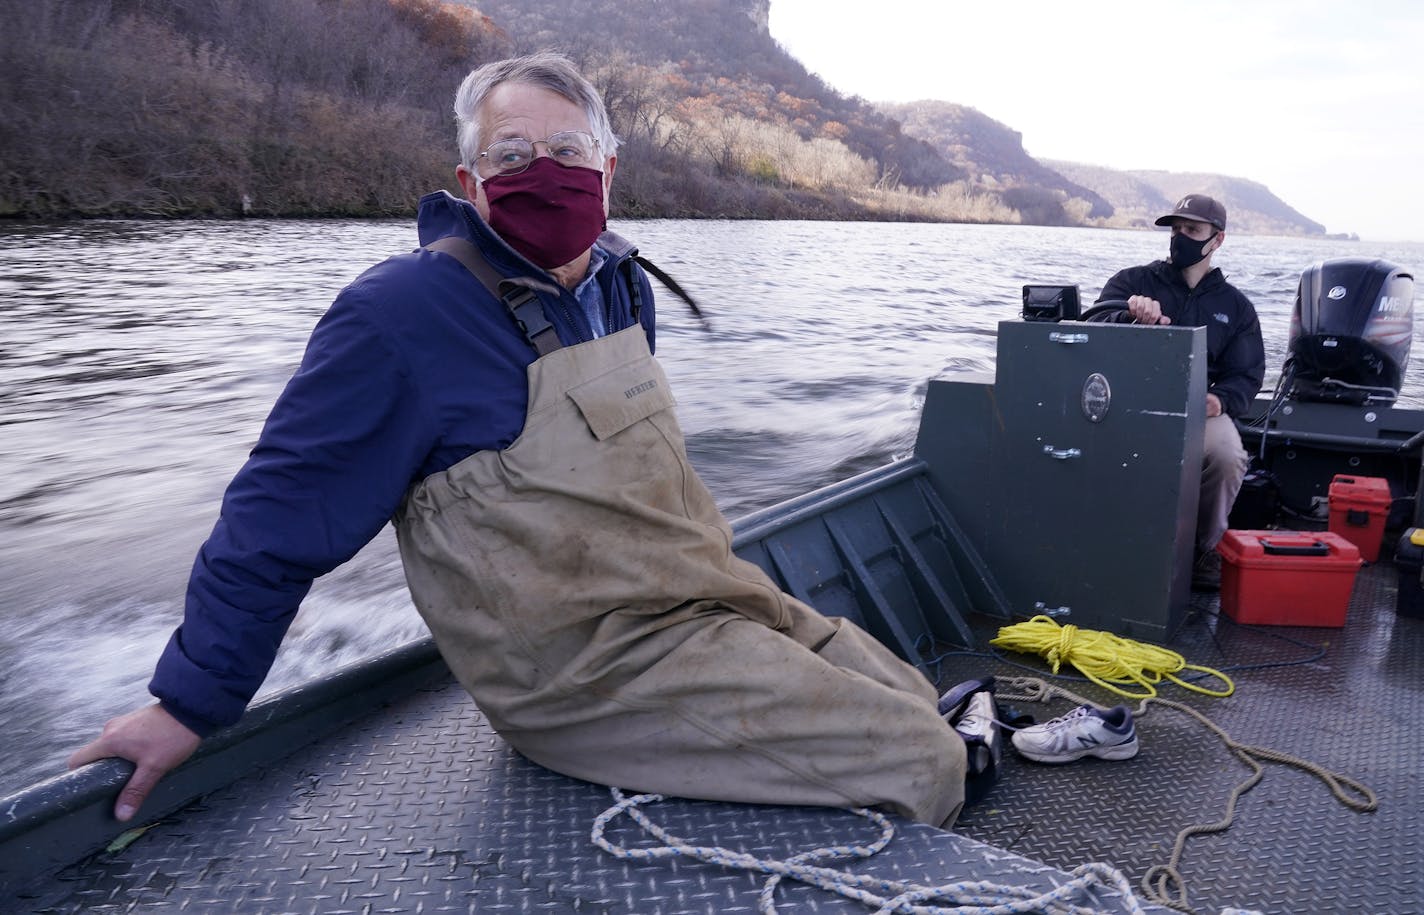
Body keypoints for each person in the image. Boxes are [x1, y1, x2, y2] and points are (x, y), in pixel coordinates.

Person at [68, 52, 969, 829]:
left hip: (698, 598)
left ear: (609, 170)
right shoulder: (397, 317)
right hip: (580, 675)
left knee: (909, 688)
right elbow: (275, 518)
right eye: (513, 154)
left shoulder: (622, 283)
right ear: (471, 183)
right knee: (923, 760)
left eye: (568, 150)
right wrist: (187, 704)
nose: (545, 169)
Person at [1094, 194, 1265, 590]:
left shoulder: (1236, 308)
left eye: (1192, 230)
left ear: (1216, 239)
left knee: (1226, 456)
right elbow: (1093, 325)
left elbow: (1247, 374)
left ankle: (1204, 548)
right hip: (1126, 403)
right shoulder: (1132, 281)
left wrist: (1219, 400)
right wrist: (1128, 315)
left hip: (1198, 409)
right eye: (1176, 230)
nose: (1181, 238)